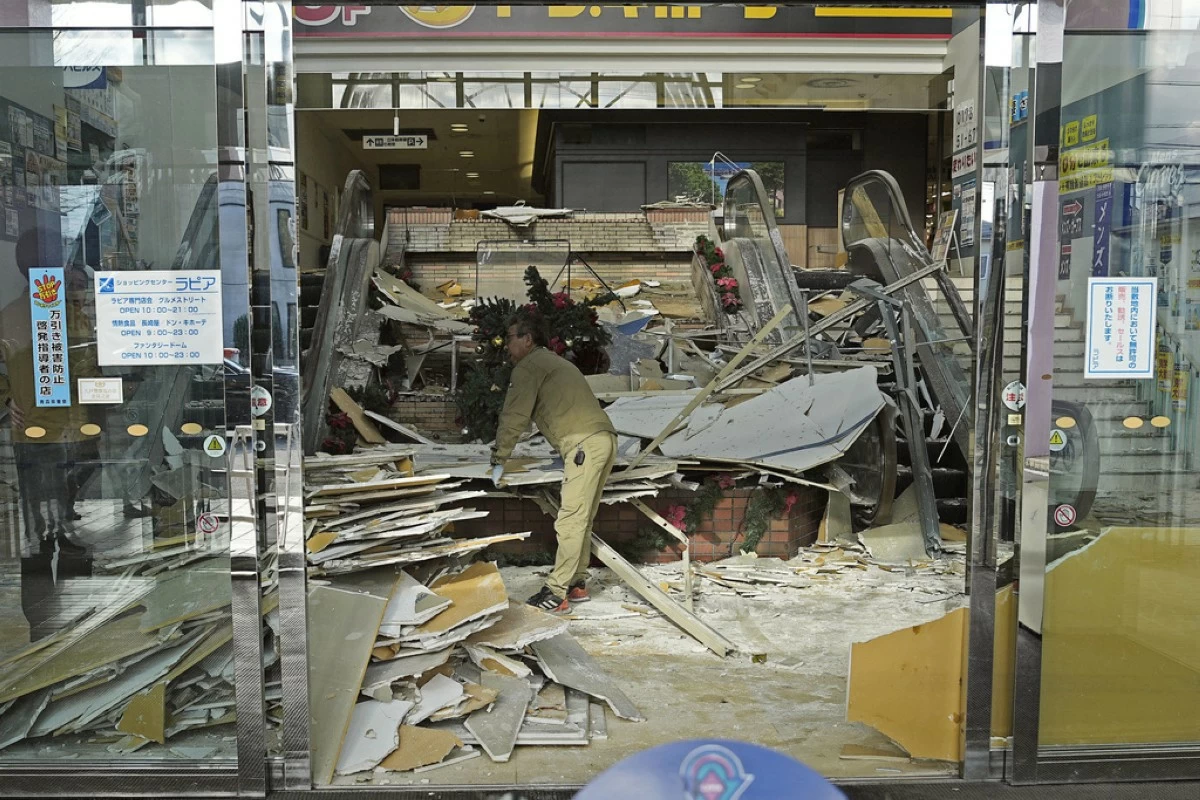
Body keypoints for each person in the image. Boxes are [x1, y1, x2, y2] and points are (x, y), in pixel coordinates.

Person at [491, 310, 617, 612]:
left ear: (527, 339)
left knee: (570, 520)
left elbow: (514, 416)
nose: (506, 346)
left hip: (583, 445)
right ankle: (576, 584)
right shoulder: (555, 363)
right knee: (581, 518)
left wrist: (499, 457)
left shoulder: (529, 366)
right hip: (604, 440)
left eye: (510, 339)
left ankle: (556, 591)